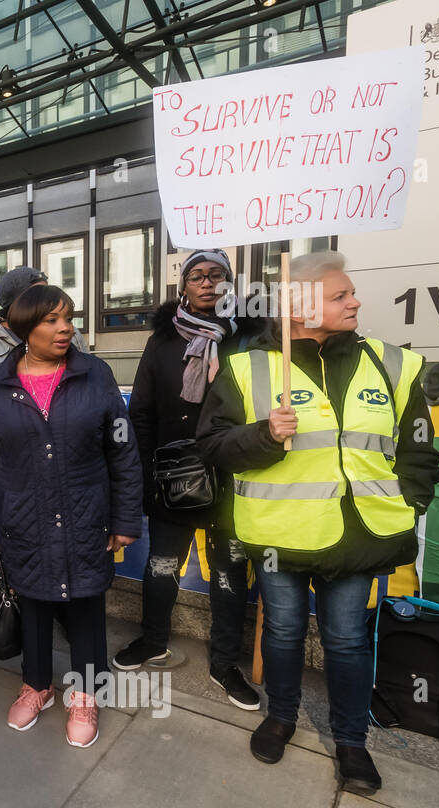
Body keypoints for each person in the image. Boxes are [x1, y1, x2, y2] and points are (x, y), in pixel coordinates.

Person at [196, 252, 439, 794]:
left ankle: (351, 742)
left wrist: (411, 504)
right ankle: (280, 717)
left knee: (348, 641)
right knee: (281, 632)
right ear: (301, 306)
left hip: (361, 537)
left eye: (351, 294)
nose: (355, 301)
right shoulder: (246, 366)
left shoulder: (394, 364)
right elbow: (212, 446)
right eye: (340, 296)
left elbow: (420, 451)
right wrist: (263, 434)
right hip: (279, 536)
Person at [0, 286, 141, 747]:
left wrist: (126, 519)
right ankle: (38, 685)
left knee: (85, 603)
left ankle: (85, 693)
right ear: (23, 329)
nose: (64, 327)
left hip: (87, 514)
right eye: (51, 320)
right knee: (34, 603)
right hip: (22, 517)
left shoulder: (97, 376)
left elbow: (122, 451)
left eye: (68, 317)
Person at [115, 250, 263, 709]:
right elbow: (140, 410)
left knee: (230, 573)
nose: (205, 282)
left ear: (229, 283)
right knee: (161, 565)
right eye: (196, 275)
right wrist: (139, 472)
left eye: (216, 275)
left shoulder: (253, 337)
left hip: (235, 475)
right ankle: (153, 639)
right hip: (173, 474)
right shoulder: (162, 339)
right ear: (183, 287)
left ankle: (223, 665)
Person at [0, 267, 88, 440]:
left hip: (70, 443)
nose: (47, 299)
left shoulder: (71, 333)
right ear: (15, 305)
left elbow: (92, 385)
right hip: (12, 452)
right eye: (37, 295)